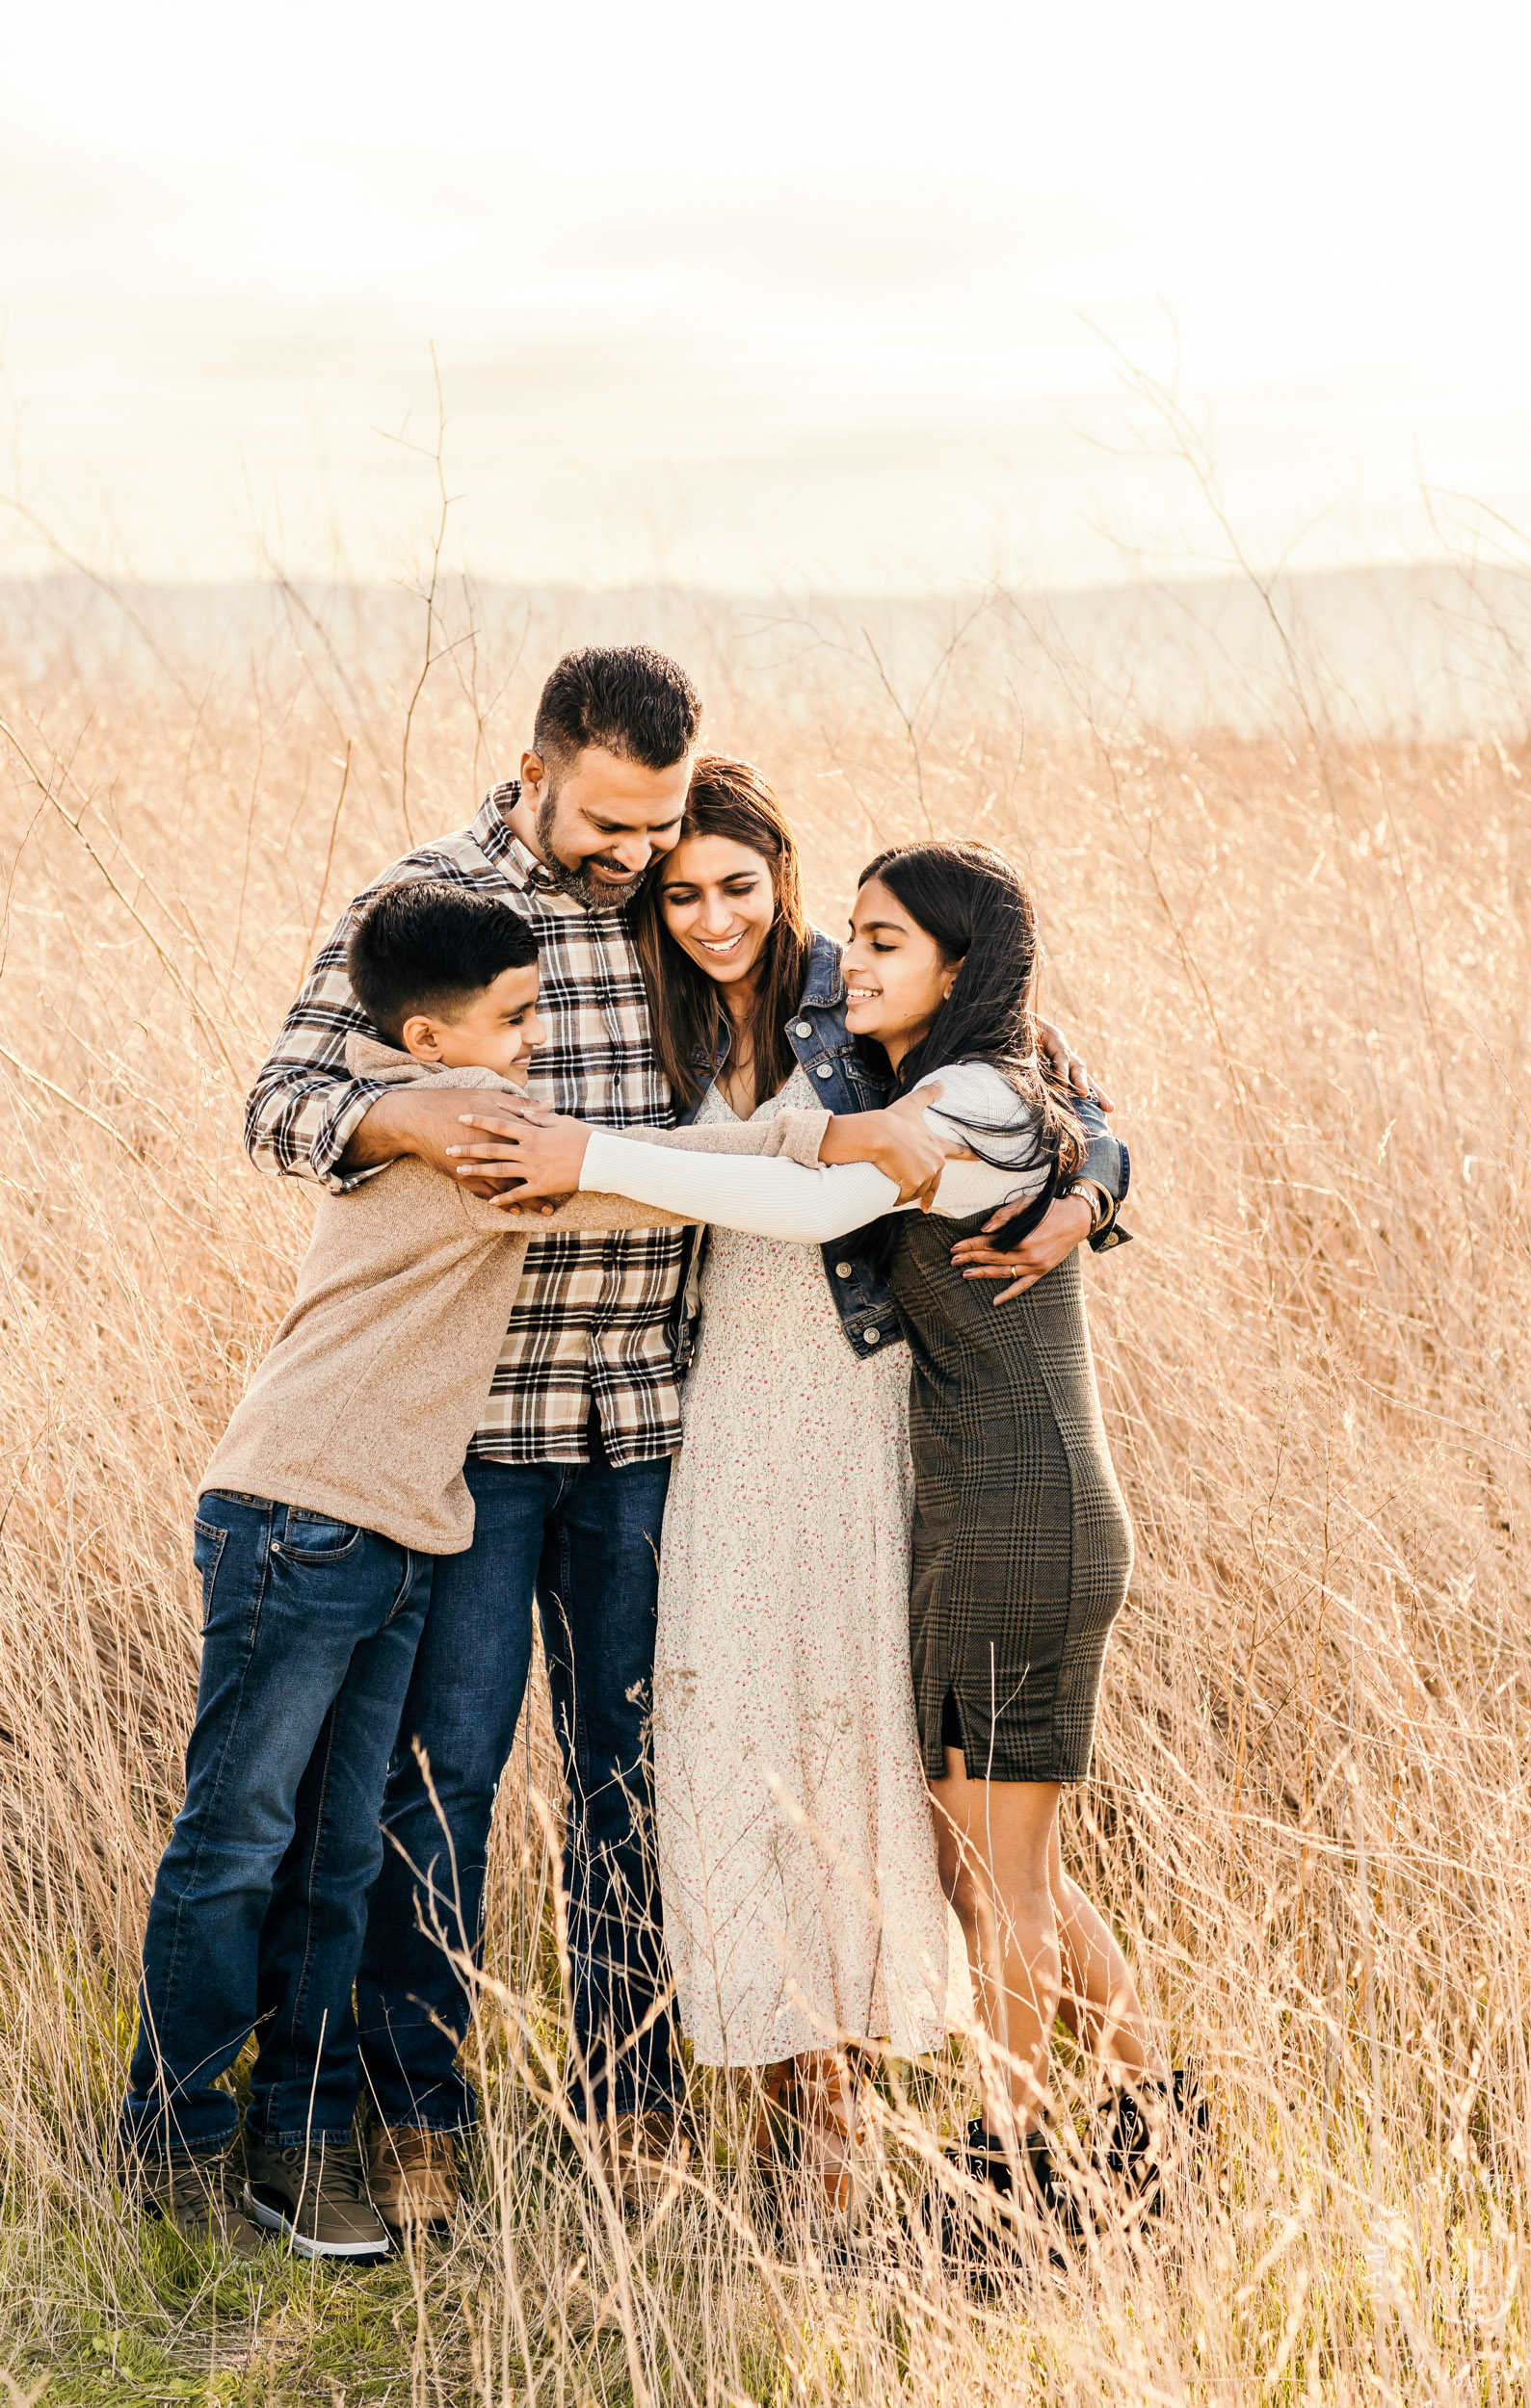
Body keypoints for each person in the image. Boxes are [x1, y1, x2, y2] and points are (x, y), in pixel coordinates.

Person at [239, 650, 1021, 2225]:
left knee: (635, 1777)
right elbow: (282, 1102)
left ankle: (637, 2111)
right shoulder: (434, 900)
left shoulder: (718, 920)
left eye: (659, 826)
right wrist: (413, 1119)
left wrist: (1089, 1176)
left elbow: (991, 1068)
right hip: (480, 1425)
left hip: (660, 1418)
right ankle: (418, 2119)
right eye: (609, 825)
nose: (640, 858)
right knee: (443, 1779)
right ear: (535, 775)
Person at [450, 836, 1183, 2238]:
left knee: (998, 1875)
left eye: (886, 943)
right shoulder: (942, 1079)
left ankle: (1023, 2172)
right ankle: (1143, 2128)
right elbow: (829, 1154)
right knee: (984, 1860)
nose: (856, 965)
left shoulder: (966, 1093)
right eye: (857, 937)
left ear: (961, 971)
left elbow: (811, 1202)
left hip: (1011, 1514)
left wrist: (596, 1155)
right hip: (991, 1507)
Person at [121, 886, 549, 2257]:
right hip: (296, 1515)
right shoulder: (464, 1125)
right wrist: (859, 1144)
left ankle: (296, 2148)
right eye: (519, 1018)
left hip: (399, 1526)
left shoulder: (439, 1096)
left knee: (340, 1859)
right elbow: (662, 1176)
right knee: (240, 1840)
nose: (537, 1040)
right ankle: (174, 2146)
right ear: (429, 1037)